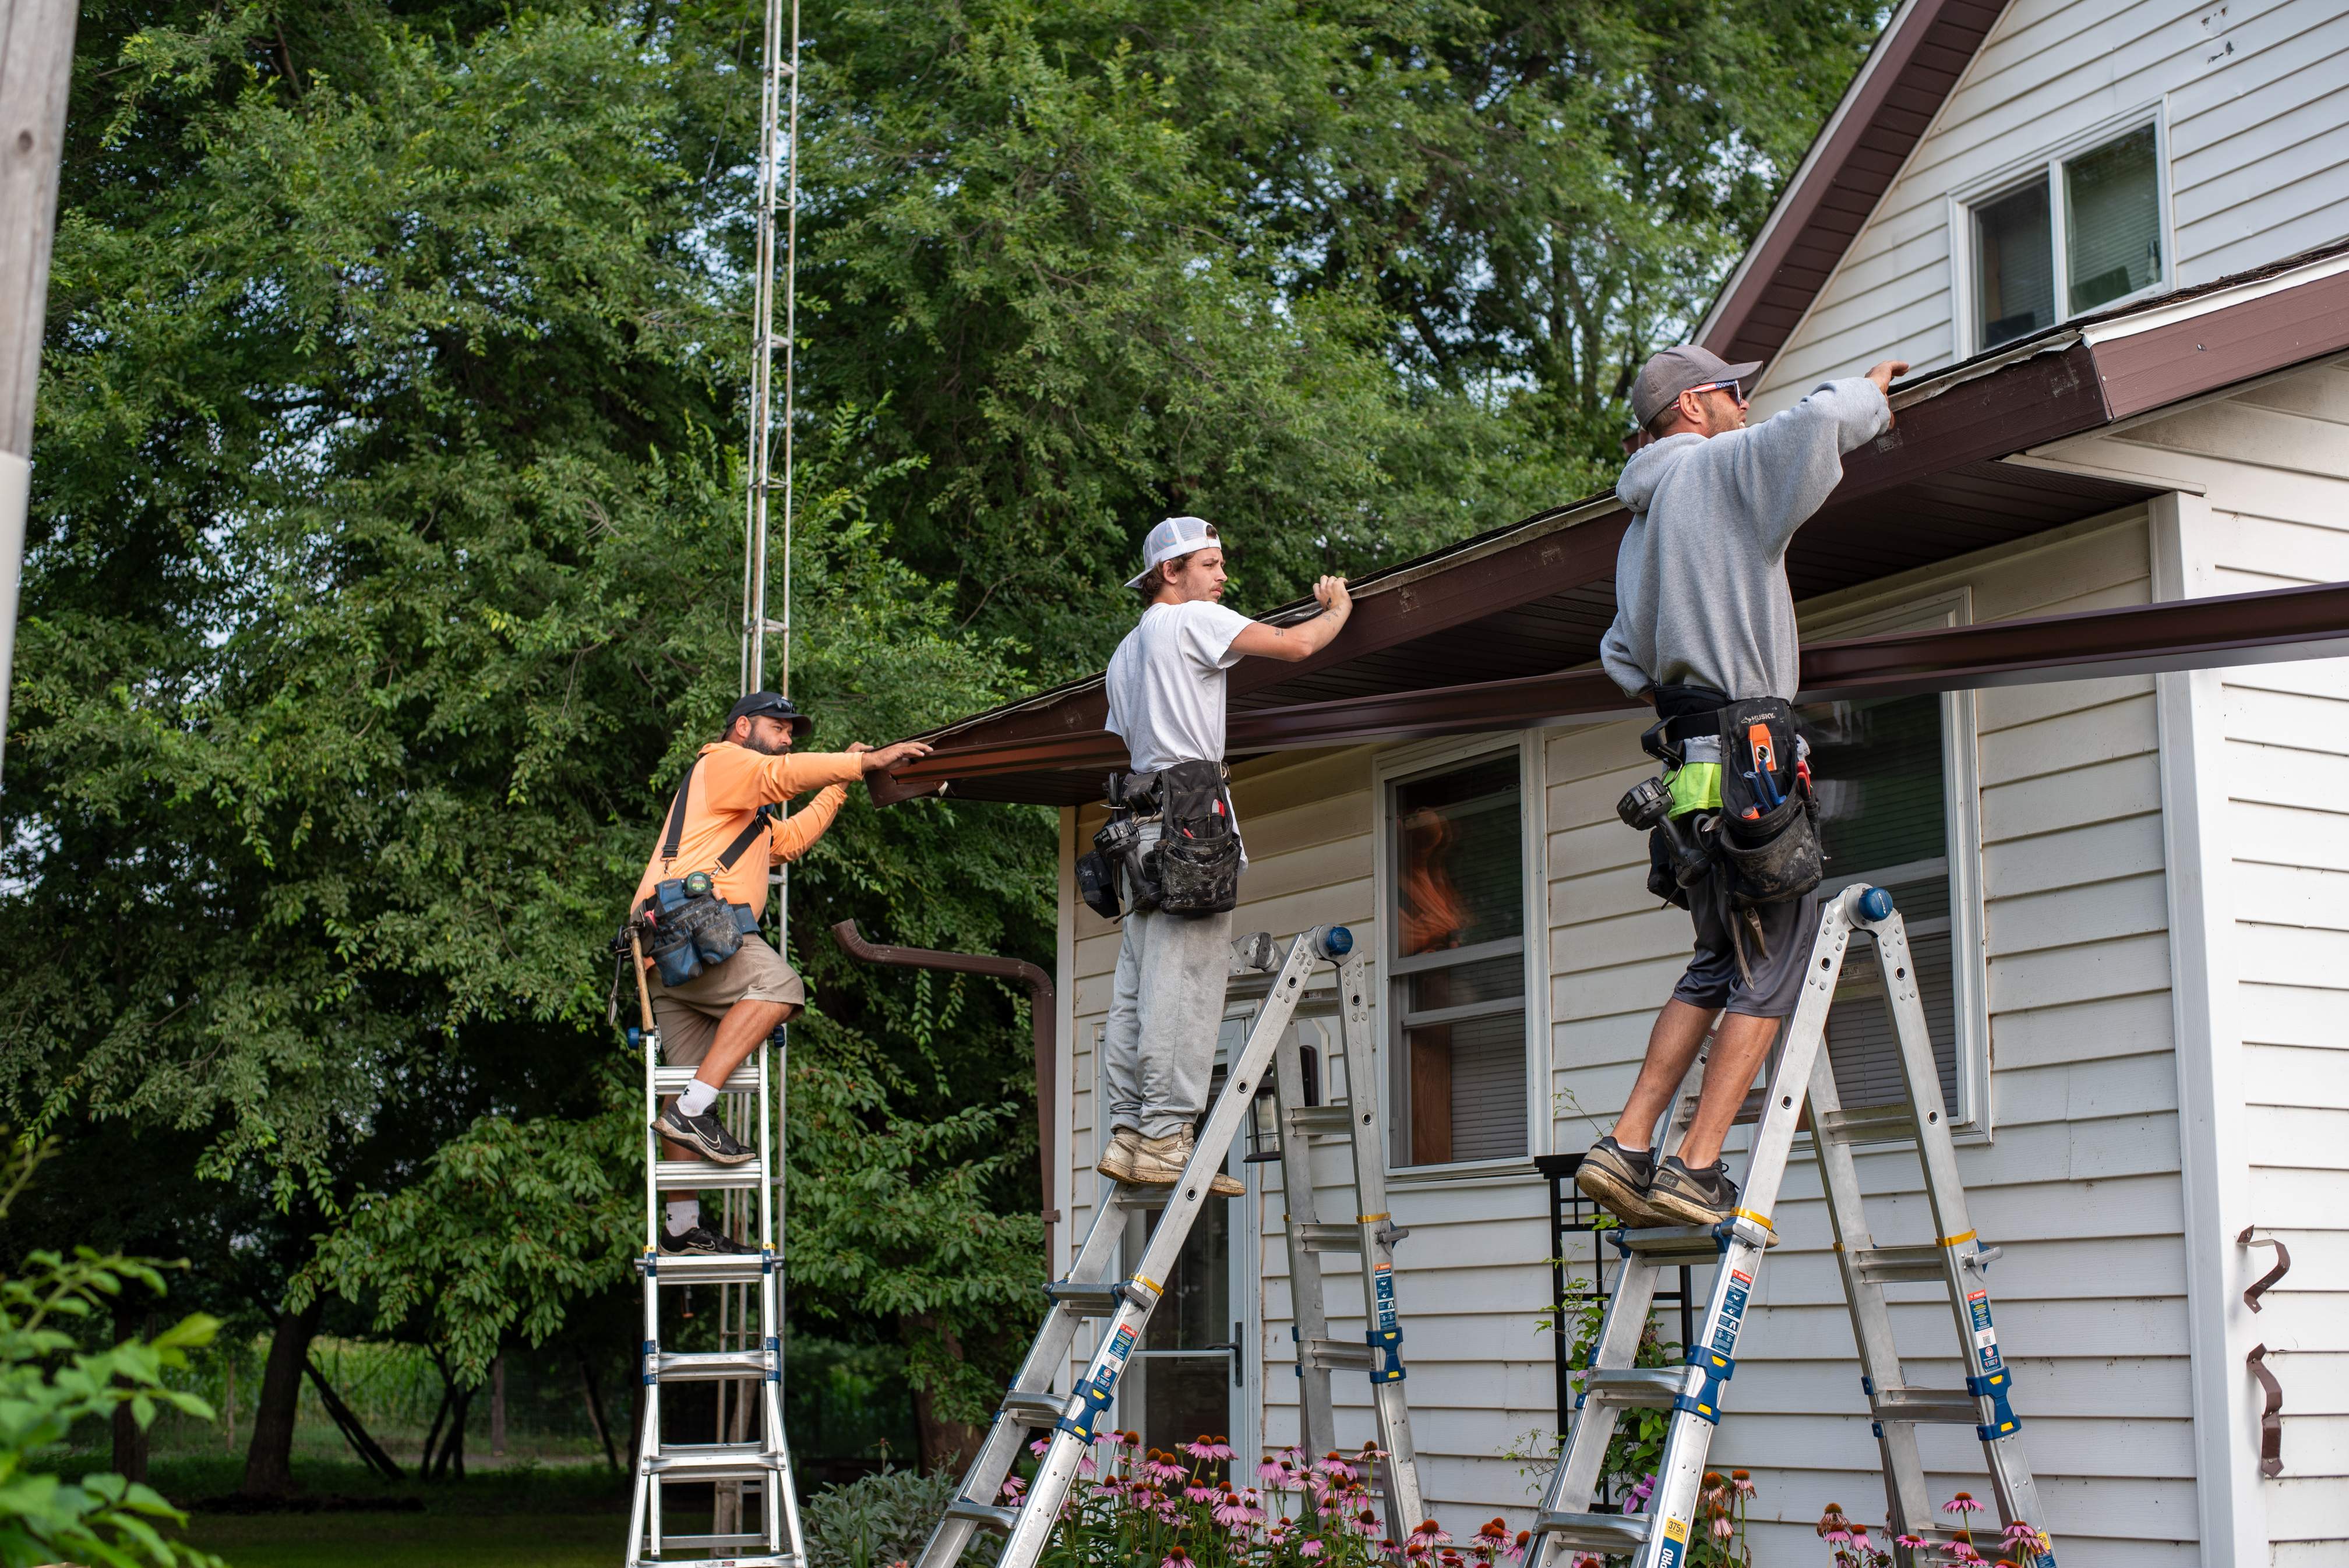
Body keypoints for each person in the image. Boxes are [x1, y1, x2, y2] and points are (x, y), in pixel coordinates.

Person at [1576, 345, 1908, 1228]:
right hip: (1750, 745)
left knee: (1720, 956)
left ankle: (1630, 1141)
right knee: (1774, 967)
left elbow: (1619, 655)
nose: (1746, 402)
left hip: (1687, 758)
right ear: (1693, 407)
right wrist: (1870, 394)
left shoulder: (1640, 526)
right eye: (1733, 390)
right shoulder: (1719, 469)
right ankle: (1697, 1164)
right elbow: (1819, 422)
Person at [1095, 515, 1353, 1192]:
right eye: (1210, 564)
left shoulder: (1125, 653)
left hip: (1140, 817)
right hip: (1189, 812)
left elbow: (1132, 730)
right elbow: (1297, 646)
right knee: (1188, 982)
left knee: (1141, 981)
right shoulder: (1189, 622)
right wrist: (1337, 610)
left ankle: (1129, 1131)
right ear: (1170, 573)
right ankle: (1167, 1138)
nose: (1222, 576)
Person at [634, 691, 931, 1254]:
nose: (790, 735)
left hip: (667, 952)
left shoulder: (742, 815)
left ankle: (680, 1229)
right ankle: (695, 1114)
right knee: (780, 986)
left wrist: (837, 787)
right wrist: (866, 763)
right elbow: (783, 774)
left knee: (692, 1081)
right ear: (742, 727)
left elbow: (787, 841)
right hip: (692, 932)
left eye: (794, 729)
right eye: (780, 725)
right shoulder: (723, 763)